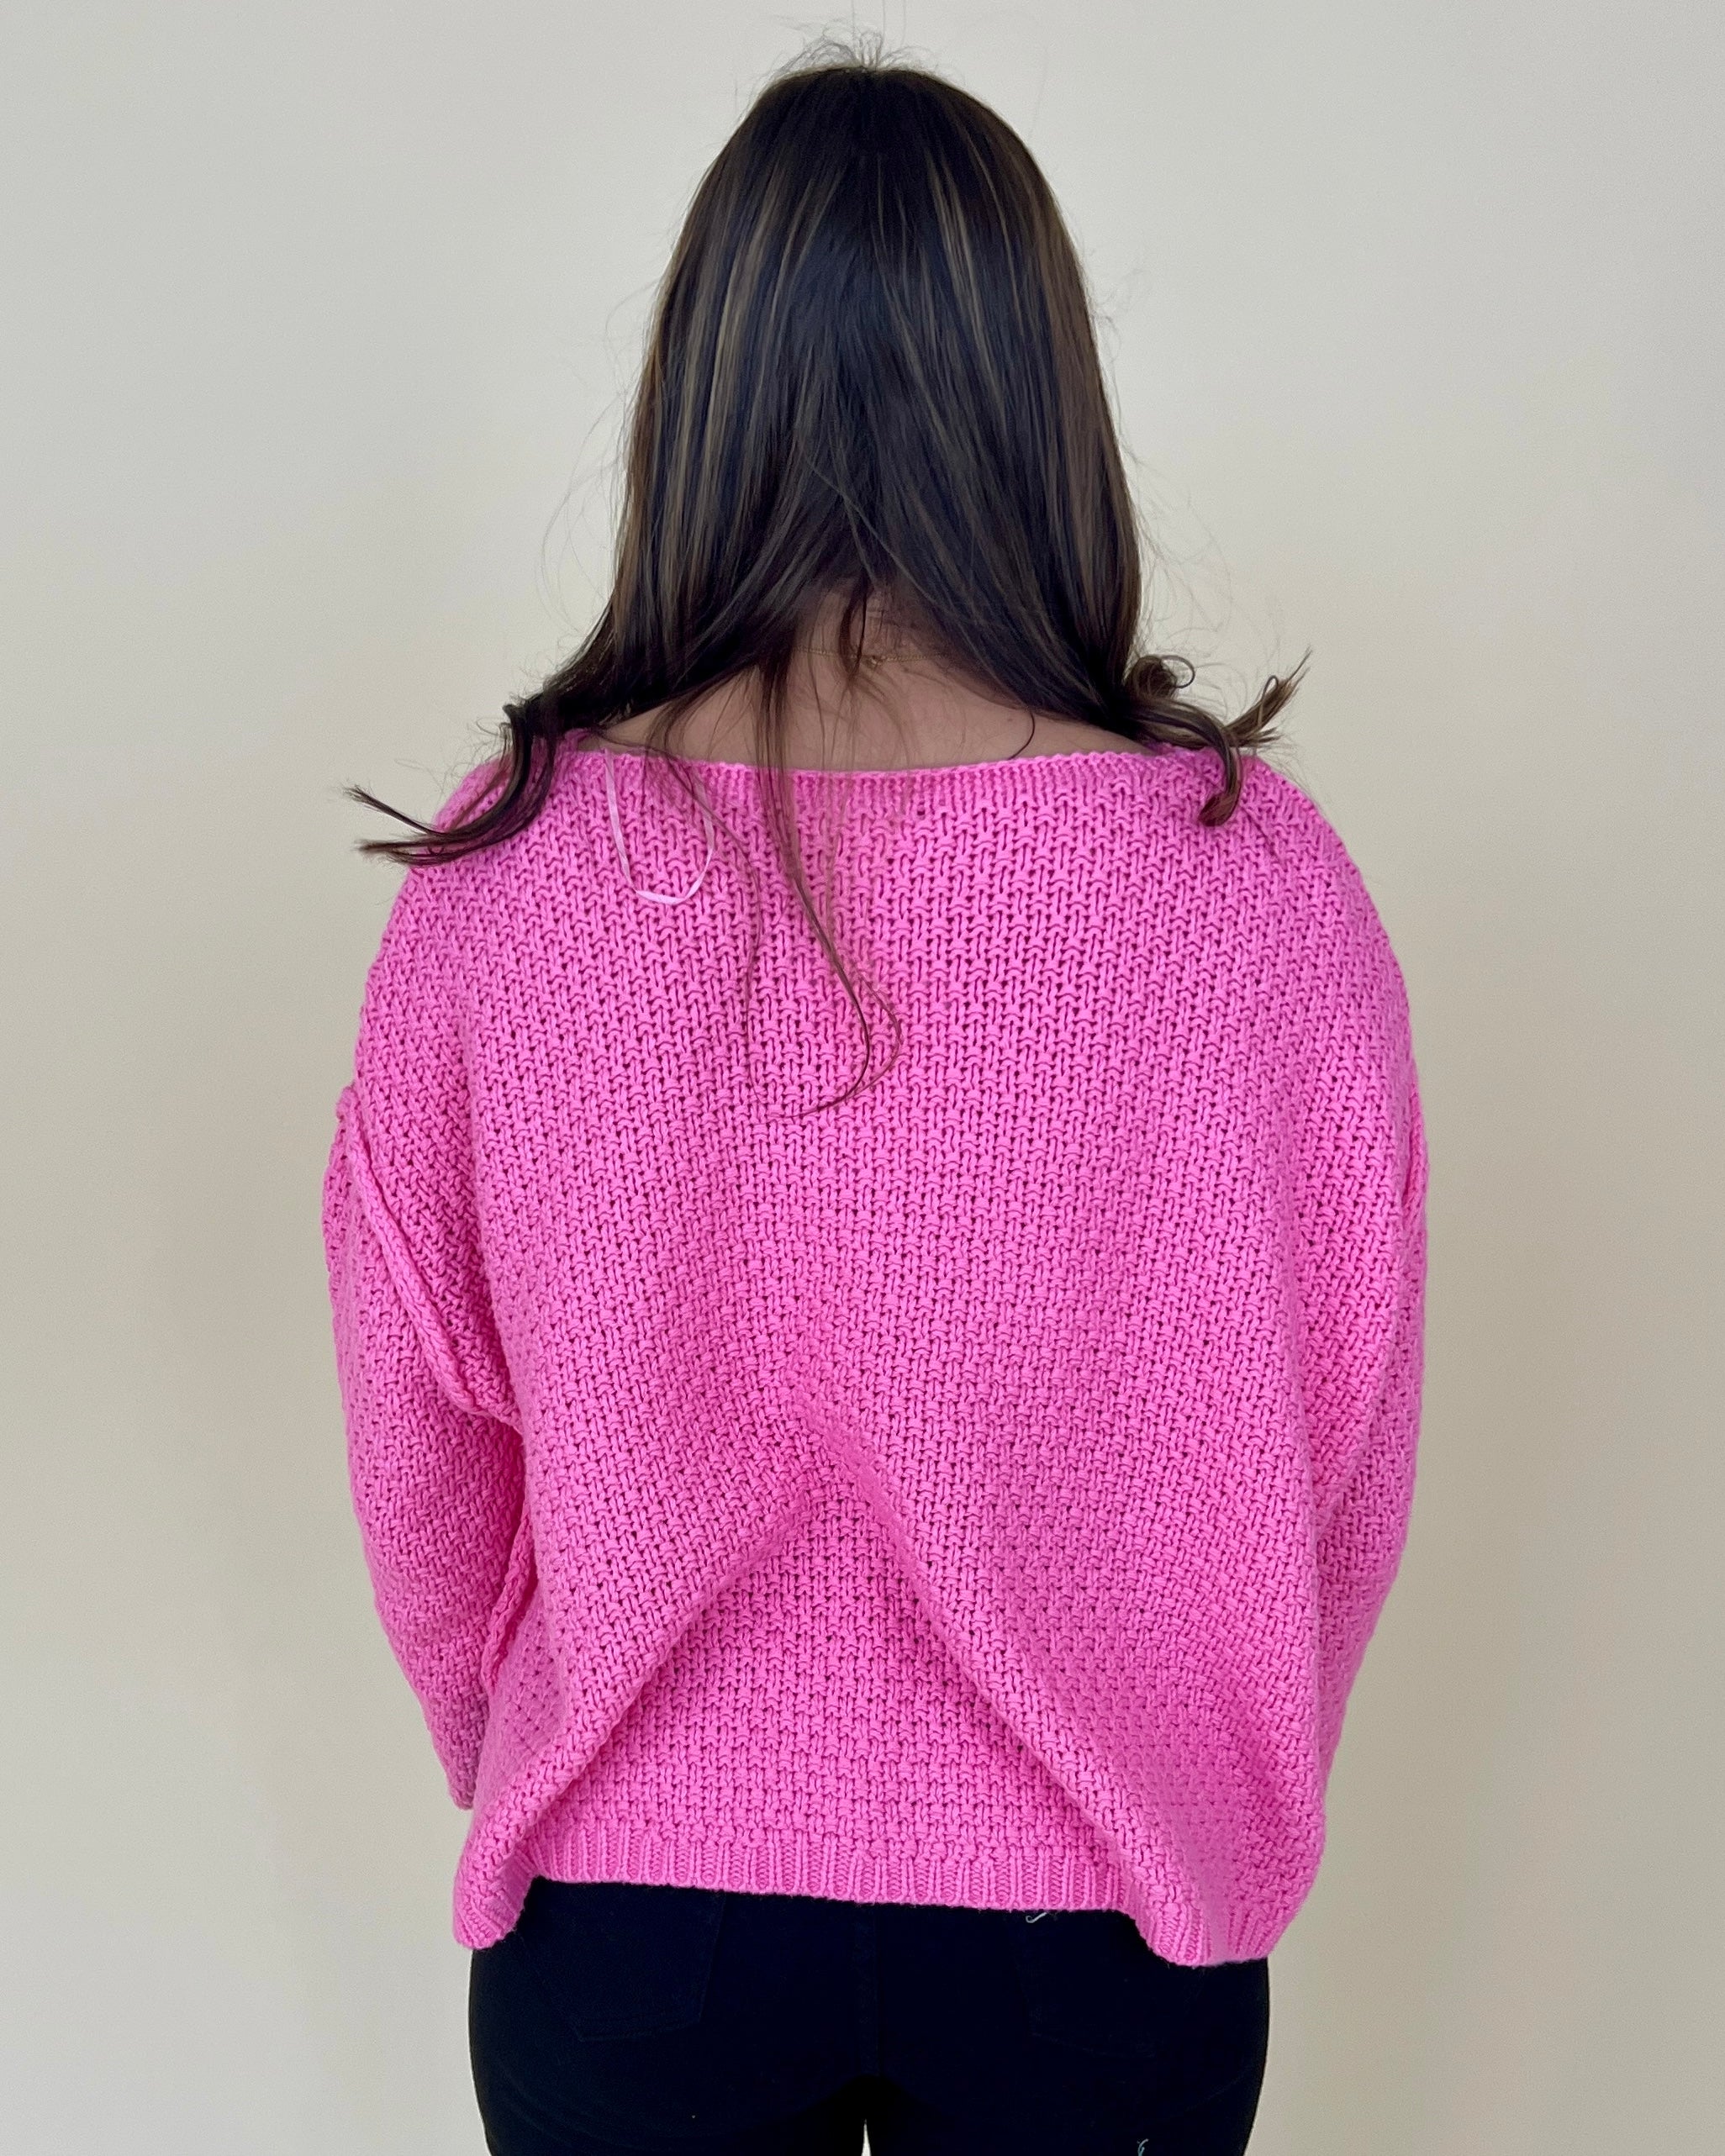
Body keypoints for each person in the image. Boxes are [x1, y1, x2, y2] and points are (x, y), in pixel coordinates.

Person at [322, 39, 1428, 2156]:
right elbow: (1341, 1449)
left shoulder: (505, 870)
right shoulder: (1256, 886)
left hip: (631, 1908)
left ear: (700, 395)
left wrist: (548, 1745)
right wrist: (1210, 1764)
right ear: (1045, 403)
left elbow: (422, 1457)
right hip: (1105, 1911)